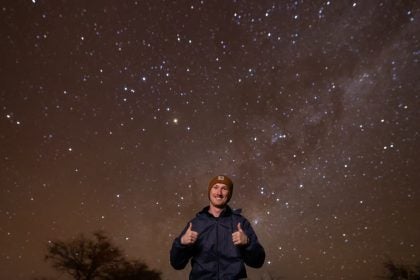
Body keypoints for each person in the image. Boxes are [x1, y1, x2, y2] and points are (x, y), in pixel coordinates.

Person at [170, 175, 265, 279]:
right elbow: (177, 264)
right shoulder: (195, 224)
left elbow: (258, 262)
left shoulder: (240, 223)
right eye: (215, 187)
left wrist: (247, 242)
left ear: (229, 194)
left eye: (224, 188)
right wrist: (181, 243)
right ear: (209, 191)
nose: (219, 193)